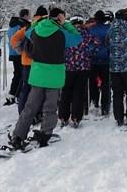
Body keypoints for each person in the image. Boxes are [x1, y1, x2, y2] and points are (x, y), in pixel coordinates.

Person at [9, 8, 81, 150]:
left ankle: (18, 135)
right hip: (54, 75)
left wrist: (43, 21)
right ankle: (45, 134)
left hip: (37, 74)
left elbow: (29, 32)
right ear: (60, 17)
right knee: (50, 108)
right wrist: (65, 23)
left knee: (30, 107)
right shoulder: (62, 33)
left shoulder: (36, 30)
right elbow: (77, 38)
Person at [59, 15, 97, 128]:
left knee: (65, 92)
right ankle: (76, 116)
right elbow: (94, 49)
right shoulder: (88, 34)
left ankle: (63, 116)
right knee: (79, 93)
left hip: (67, 67)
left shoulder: (65, 34)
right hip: (83, 68)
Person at [11, 6, 48, 114]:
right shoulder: (46, 26)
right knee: (39, 90)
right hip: (40, 63)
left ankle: (22, 113)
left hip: (26, 62)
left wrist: (22, 50)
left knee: (26, 88)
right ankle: (37, 113)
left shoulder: (29, 26)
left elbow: (14, 39)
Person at [5, 9, 30, 106]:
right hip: (19, 53)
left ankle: (13, 92)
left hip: (12, 52)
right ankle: (17, 94)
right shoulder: (22, 25)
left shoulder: (12, 25)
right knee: (22, 75)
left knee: (17, 74)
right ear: (26, 15)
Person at [88, 10, 111, 116]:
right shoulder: (108, 29)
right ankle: (105, 106)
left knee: (93, 82)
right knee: (106, 83)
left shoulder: (90, 29)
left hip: (93, 59)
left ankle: (94, 101)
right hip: (106, 60)